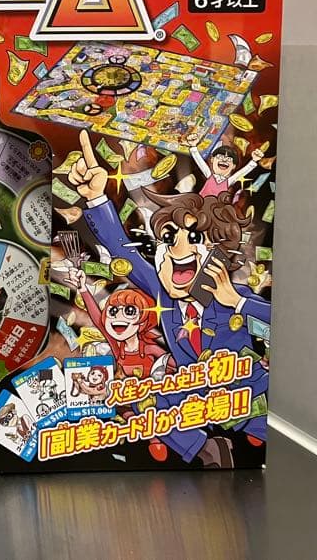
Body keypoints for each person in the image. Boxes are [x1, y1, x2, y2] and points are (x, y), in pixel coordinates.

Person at [69, 129, 270, 467]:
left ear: (221, 252)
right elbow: (123, 251)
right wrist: (96, 199)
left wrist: (238, 302)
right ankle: (208, 451)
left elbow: (285, 323)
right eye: (168, 237)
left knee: (271, 428)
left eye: (194, 238)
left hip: (246, 396)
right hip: (194, 396)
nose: (178, 249)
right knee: (144, 396)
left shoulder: (233, 297)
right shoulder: (165, 294)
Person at [189, 143, 263, 198]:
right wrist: (193, 147)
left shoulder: (228, 182)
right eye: (220, 157)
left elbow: (241, 173)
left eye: (229, 159)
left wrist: (254, 160)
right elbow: (201, 163)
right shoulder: (209, 175)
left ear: (233, 166)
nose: (224, 160)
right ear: (212, 159)